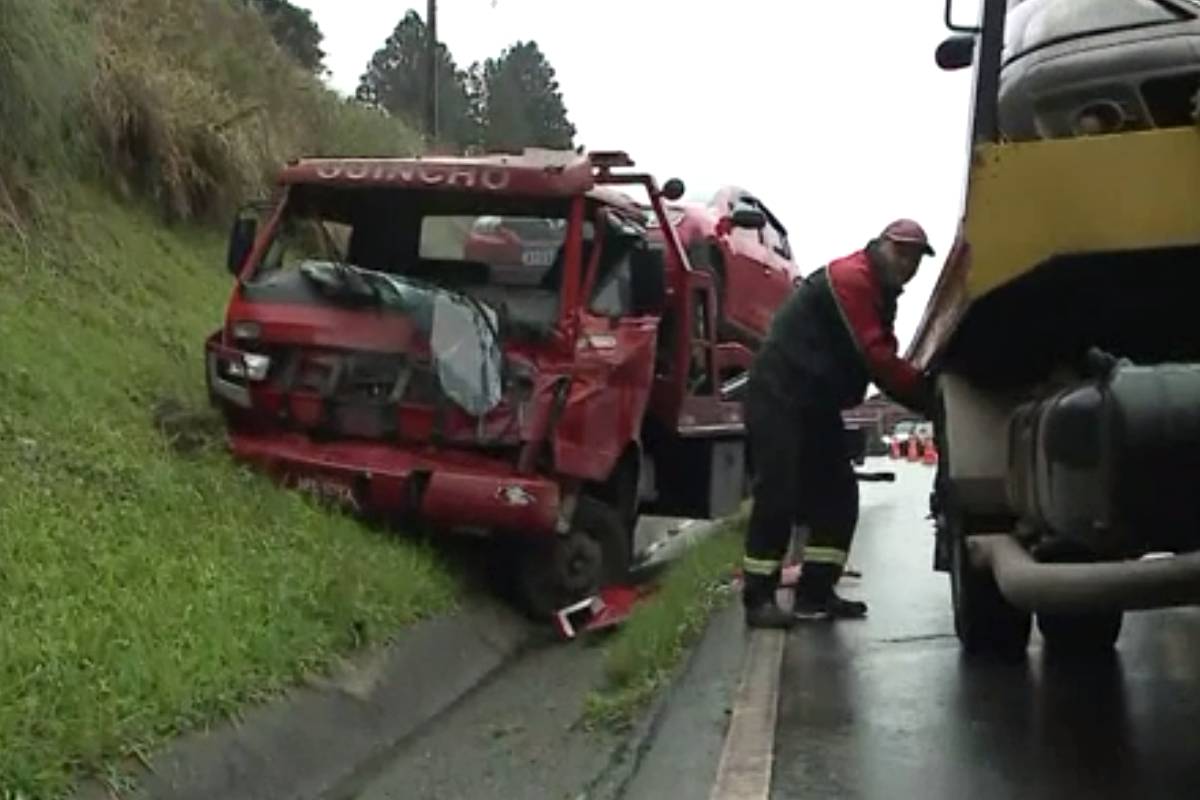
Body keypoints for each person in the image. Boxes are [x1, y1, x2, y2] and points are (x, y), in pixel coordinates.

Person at [742, 219, 936, 629]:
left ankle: (815, 594)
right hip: (781, 392)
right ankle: (758, 597)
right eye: (901, 253)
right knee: (778, 490)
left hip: (814, 401)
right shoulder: (853, 278)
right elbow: (877, 357)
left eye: (916, 258)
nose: (908, 265)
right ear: (881, 246)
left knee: (838, 494)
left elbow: (881, 352)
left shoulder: (881, 291)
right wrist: (930, 398)